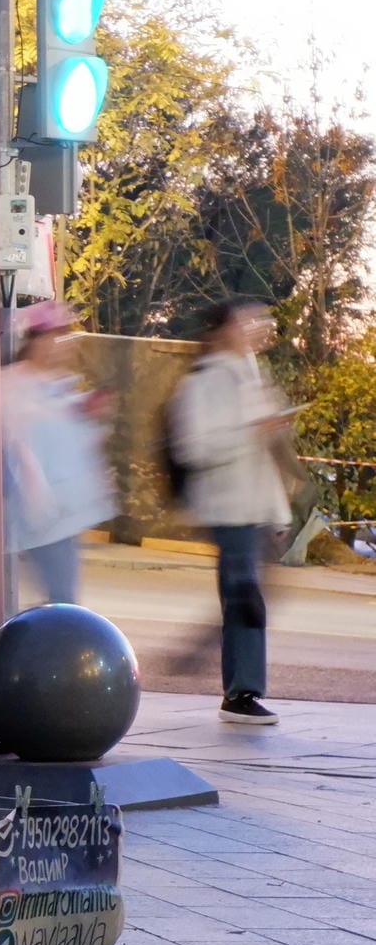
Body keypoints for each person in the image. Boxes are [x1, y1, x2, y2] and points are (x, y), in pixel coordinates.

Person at [168, 297, 291, 725]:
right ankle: (239, 693)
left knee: (248, 597)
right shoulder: (204, 380)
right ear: (221, 330)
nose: (258, 327)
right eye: (248, 320)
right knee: (245, 597)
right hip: (226, 507)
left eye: (261, 320)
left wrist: (278, 514)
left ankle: (229, 681)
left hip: (252, 508)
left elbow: (267, 454)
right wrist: (250, 432)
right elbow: (194, 446)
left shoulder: (253, 375)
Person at [1, 301, 114, 606]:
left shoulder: (66, 386)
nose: (61, 346)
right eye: (53, 337)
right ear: (34, 341)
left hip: (64, 513)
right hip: (37, 514)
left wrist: (92, 418)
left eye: (66, 337)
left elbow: (79, 447)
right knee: (60, 603)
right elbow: (16, 448)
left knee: (58, 600)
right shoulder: (11, 385)